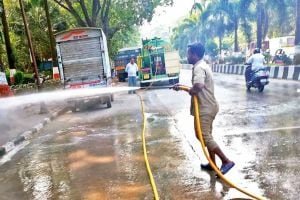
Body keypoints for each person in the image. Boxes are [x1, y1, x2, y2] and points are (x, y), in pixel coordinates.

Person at [174, 43, 235, 175]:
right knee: (206, 136)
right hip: (208, 106)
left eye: (189, 53)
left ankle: (226, 161)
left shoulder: (198, 68)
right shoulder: (202, 65)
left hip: (205, 108)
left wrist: (191, 91)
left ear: (195, 55)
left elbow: (199, 85)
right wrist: (182, 86)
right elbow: (198, 86)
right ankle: (212, 164)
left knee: (203, 136)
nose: (187, 56)